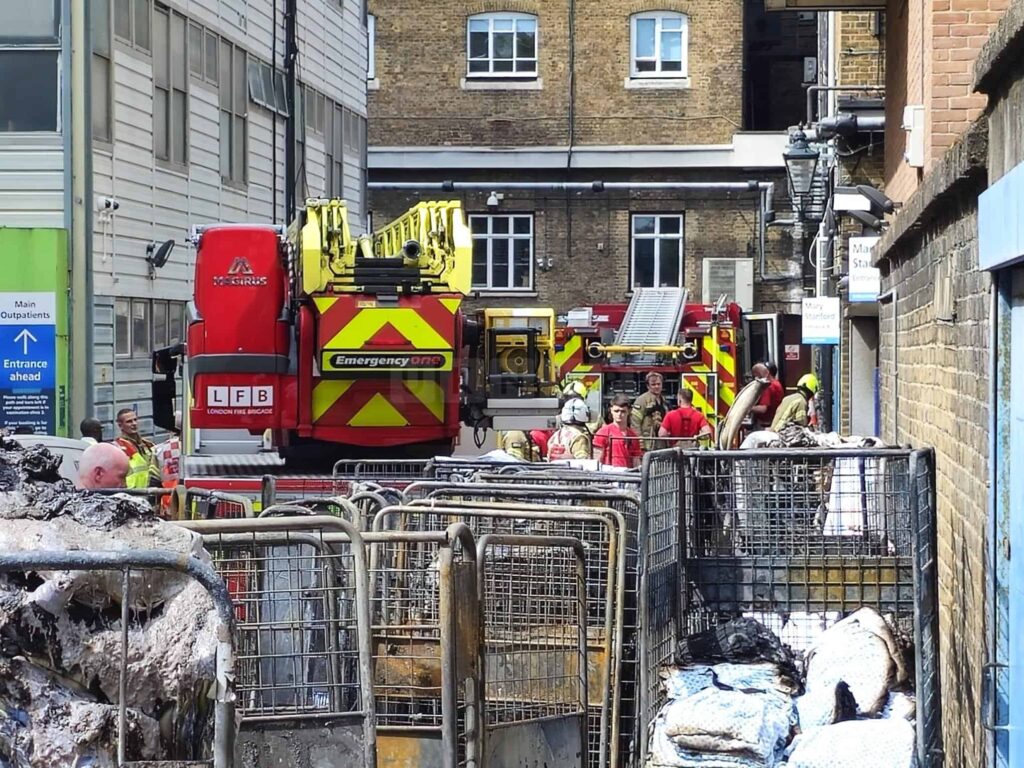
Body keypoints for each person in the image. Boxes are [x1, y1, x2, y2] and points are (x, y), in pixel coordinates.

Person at [592, 395, 642, 468]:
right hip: (608, 475)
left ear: (629, 411)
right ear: (611, 410)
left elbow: (636, 462)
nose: (619, 414)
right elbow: (597, 461)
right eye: (616, 411)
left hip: (628, 475)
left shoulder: (633, 436)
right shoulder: (603, 432)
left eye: (623, 411)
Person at [114, 408, 157, 489]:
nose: (134, 423)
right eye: (129, 421)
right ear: (120, 425)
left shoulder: (148, 445)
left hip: (150, 492)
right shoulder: (118, 448)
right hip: (131, 493)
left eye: (135, 420)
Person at [152, 411, 183, 515]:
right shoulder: (192, 448)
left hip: (168, 508)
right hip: (189, 506)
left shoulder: (160, 450)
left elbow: (154, 481)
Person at [630, 372, 668, 450]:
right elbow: (635, 423)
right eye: (653, 385)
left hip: (662, 443)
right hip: (648, 443)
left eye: (658, 384)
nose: (657, 386)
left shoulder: (664, 401)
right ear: (648, 386)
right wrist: (640, 445)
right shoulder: (641, 400)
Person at [749, 362, 784, 430]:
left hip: (764, 425)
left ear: (767, 372)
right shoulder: (778, 384)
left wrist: (748, 408)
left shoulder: (768, 387)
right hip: (773, 422)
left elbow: (763, 409)